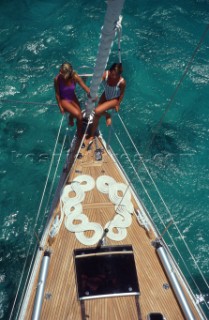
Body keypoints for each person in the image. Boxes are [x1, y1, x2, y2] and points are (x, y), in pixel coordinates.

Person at [88, 63, 126, 144]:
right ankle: (92, 134)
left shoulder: (122, 82)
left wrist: (118, 104)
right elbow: (97, 82)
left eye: (116, 75)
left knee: (97, 111)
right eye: (112, 74)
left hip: (114, 99)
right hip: (105, 95)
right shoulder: (106, 74)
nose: (113, 76)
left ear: (119, 74)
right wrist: (94, 92)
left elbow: (122, 94)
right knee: (96, 115)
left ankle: (107, 115)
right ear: (110, 71)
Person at [54, 62, 90, 137]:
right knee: (79, 116)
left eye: (62, 72)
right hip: (64, 100)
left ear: (68, 73)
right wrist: (60, 107)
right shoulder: (57, 79)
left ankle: (71, 118)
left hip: (72, 97)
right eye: (60, 71)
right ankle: (79, 135)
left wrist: (92, 94)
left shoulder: (75, 77)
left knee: (80, 115)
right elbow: (57, 94)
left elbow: (84, 87)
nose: (60, 73)